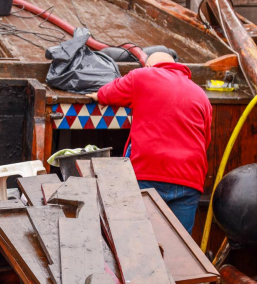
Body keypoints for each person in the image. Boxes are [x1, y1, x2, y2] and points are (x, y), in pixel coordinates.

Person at [88, 52, 212, 233]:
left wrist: (98, 95)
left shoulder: (143, 76)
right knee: (180, 248)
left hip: (149, 173)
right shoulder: (201, 95)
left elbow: (108, 93)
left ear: (148, 66)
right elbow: (205, 140)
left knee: (140, 243)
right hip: (190, 180)